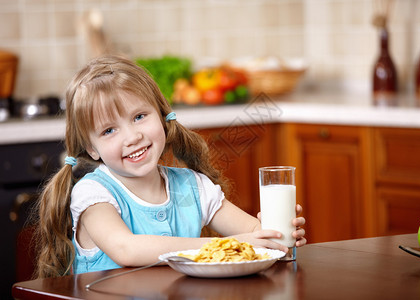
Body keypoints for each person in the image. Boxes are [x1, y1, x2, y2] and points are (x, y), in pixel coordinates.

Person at [32, 55, 306, 278]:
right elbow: (127, 249)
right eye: (109, 131)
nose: (132, 136)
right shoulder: (93, 194)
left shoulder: (192, 186)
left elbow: (255, 236)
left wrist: (276, 236)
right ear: (91, 149)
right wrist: (227, 246)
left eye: (139, 116)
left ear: (162, 116)